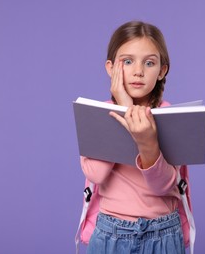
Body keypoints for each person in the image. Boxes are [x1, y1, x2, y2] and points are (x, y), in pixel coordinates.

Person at [81, 21, 185, 254]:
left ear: (162, 70)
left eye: (149, 63)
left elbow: (163, 186)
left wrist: (147, 140)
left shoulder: (170, 116)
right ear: (110, 68)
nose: (138, 70)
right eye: (127, 61)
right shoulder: (97, 114)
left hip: (163, 233)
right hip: (111, 232)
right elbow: (96, 174)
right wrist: (125, 109)